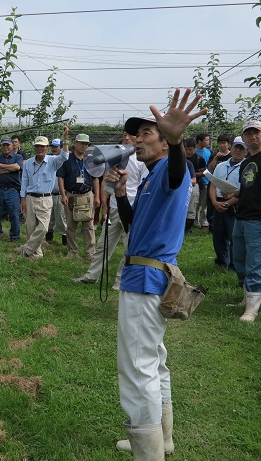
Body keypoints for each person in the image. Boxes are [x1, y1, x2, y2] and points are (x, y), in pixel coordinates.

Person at [107, 88, 206, 459]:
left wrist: (178, 141)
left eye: (146, 133)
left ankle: (148, 454)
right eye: (135, 134)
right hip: (147, 276)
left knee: (137, 368)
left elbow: (181, 168)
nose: (136, 140)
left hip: (146, 280)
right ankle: (161, 440)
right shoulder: (151, 178)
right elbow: (136, 228)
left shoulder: (170, 168)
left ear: (166, 143)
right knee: (153, 361)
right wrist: (120, 196)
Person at [72, 131, 148, 287]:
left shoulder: (141, 160)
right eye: (125, 134)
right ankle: (91, 276)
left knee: (130, 247)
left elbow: (144, 186)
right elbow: (107, 181)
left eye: (131, 135)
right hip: (115, 207)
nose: (127, 137)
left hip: (133, 209)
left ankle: (120, 281)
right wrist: (105, 204)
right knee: (104, 244)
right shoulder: (115, 157)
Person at [16, 135, 69, 258]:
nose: (39, 148)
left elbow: (65, 156)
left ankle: (26, 250)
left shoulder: (53, 161)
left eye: (42, 146)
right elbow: (24, 181)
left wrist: (65, 138)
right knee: (30, 227)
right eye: (37, 146)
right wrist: (22, 199)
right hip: (30, 198)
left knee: (43, 228)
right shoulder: (29, 163)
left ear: (47, 148)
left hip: (45, 199)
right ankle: (37, 253)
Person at [232, 120, 261, 322]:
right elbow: (246, 189)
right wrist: (233, 194)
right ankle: (247, 298)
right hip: (241, 216)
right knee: (240, 260)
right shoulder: (245, 162)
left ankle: (252, 309)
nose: (252, 137)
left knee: (255, 263)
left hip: (257, 219)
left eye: (256, 133)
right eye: (248, 134)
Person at [57, 133, 100, 259]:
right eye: (81, 143)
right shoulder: (67, 159)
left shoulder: (91, 160)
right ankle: (72, 250)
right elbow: (61, 177)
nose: (84, 146)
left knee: (88, 225)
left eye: (86, 144)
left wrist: (97, 196)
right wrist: (63, 194)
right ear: (75, 143)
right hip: (71, 195)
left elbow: (96, 178)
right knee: (71, 225)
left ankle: (90, 252)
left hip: (87, 194)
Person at [209, 137, 246, 270]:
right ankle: (221, 261)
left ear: (246, 151)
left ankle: (234, 264)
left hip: (235, 205)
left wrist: (227, 204)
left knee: (234, 236)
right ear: (232, 147)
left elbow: (245, 191)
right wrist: (214, 202)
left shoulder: (247, 167)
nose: (238, 150)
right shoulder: (220, 165)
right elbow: (213, 184)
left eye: (241, 148)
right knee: (218, 235)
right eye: (236, 147)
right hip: (218, 203)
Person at [0, 137, 23, 241]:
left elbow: (17, 167)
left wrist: (0, 166)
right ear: (1, 146)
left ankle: (14, 236)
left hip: (12, 189)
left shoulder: (18, 157)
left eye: (8, 145)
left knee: (14, 213)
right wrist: (8, 169)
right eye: (4, 145)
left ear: (12, 145)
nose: (6, 147)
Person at [47, 137, 68, 246]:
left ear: (61, 147)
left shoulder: (64, 160)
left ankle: (65, 242)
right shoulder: (48, 158)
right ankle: (48, 240)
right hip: (49, 194)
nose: (54, 149)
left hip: (60, 193)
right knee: (49, 218)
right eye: (53, 147)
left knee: (61, 218)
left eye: (56, 147)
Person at [184, 138, 206, 233]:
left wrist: (192, 174)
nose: (188, 151)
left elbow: (203, 172)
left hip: (195, 184)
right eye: (186, 149)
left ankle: (189, 227)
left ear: (194, 148)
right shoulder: (180, 158)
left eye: (190, 149)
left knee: (193, 204)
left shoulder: (199, 158)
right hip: (182, 184)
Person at [194, 132, 212, 228]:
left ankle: (204, 222)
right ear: (199, 141)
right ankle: (194, 221)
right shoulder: (193, 151)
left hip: (206, 181)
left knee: (204, 203)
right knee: (195, 201)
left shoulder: (209, 152)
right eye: (206, 140)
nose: (208, 142)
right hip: (195, 181)